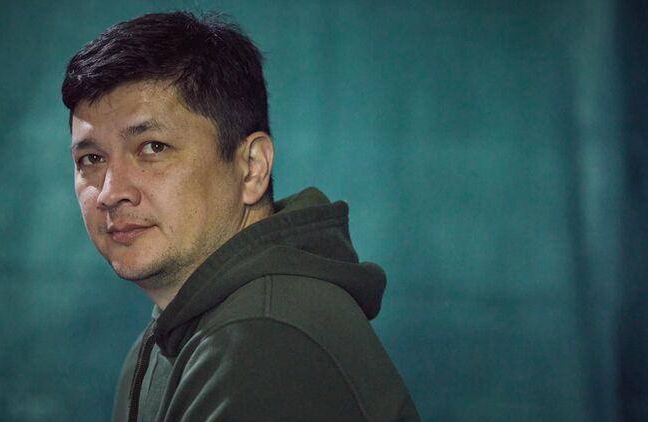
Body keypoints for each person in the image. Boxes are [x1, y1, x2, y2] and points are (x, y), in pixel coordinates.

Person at [62, 11, 419, 422]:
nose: (110, 192)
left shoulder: (266, 339)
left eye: (153, 148)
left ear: (251, 167)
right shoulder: (176, 340)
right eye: (91, 158)